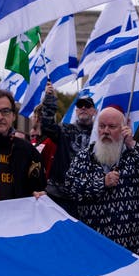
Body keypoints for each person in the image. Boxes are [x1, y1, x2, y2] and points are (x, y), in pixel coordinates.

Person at [62, 105, 139, 257]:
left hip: (131, 248)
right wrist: (101, 183)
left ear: (125, 128)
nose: (105, 131)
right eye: (102, 126)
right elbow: (71, 189)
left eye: (112, 126)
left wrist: (132, 144)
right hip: (94, 246)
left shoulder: (135, 155)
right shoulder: (85, 156)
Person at [41, 82, 97, 217]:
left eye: (87, 106)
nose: (83, 108)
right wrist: (49, 99)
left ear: (94, 111)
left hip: (87, 196)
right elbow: (47, 126)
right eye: (79, 106)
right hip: (60, 195)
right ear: (76, 111)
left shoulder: (99, 134)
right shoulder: (65, 130)